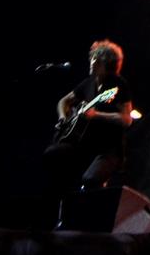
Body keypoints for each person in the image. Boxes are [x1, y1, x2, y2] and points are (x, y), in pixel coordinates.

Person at [43, 39, 133, 197]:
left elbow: (127, 119)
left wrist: (96, 115)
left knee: (90, 180)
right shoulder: (88, 83)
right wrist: (63, 117)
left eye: (95, 59)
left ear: (103, 63)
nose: (91, 62)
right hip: (85, 146)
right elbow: (63, 101)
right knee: (52, 154)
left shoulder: (118, 85)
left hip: (109, 150)